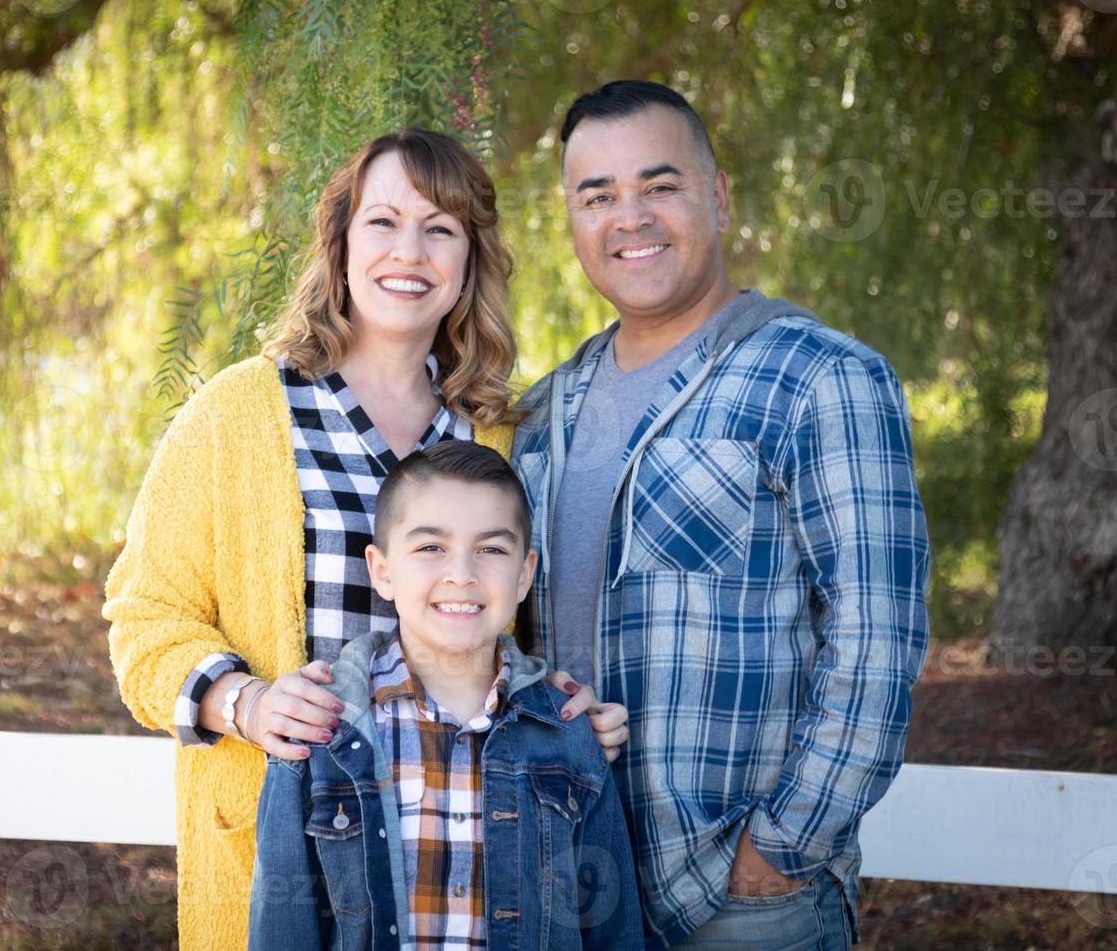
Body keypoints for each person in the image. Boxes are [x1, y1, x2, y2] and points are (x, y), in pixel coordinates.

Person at [103, 128, 628, 950]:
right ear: (341, 243)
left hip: (471, 869)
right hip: (291, 865)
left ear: (468, 261)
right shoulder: (236, 416)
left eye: (440, 228)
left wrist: (562, 718)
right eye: (382, 222)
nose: (408, 252)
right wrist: (245, 703)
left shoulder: (495, 436)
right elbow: (144, 623)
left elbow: (501, 635)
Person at [512, 80, 931, 949]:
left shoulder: (821, 378)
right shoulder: (544, 411)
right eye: (598, 196)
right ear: (573, 220)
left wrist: (779, 850)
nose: (630, 217)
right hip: (571, 885)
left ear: (720, 197)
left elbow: (878, 643)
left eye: (659, 186)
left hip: (743, 905)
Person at [248, 439, 643, 950]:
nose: (462, 573)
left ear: (525, 574)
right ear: (382, 570)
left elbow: (614, 930)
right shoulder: (319, 727)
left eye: (492, 549)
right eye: (431, 547)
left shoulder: (567, 734)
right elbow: (283, 930)